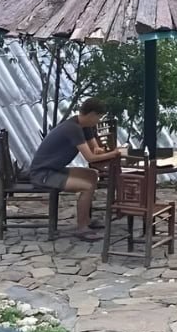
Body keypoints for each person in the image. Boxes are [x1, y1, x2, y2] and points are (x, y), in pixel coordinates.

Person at [28, 98, 123, 240]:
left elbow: (94, 149)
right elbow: (90, 158)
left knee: (92, 175)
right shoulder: (72, 129)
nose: (98, 121)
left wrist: (98, 149)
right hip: (43, 174)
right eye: (98, 117)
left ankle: (87, 220)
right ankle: (81, 228)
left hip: (55, 169)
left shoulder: (85, 126)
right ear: (91, 114)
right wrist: (115, 153)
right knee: (86, 187)